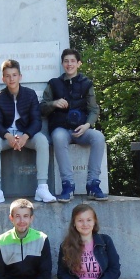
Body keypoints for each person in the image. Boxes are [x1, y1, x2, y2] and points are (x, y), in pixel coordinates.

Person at [0, 59, 56, 205]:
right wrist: (8, 136)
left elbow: (36, 121)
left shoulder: (30, 94)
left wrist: (25, 136)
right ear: (3, 78)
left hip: (25, 135)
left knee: (42, 140)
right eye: (8, 76)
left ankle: (42, 187)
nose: (11, 79)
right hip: (6, 136)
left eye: (14, 75)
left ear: (20, 76)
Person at [41, 48, 108, 201]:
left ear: (79, 63)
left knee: (98, 137)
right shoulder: (54, 83)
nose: (69, 64)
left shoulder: (87, 83)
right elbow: (42, 108)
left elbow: (94, 109)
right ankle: (68, 184)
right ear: (62, 64)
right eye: (66, 61)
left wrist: (87, 125)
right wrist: (54, 103)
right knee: (58, 137)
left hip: (81, 128)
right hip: (61, 128)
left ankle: (93, 184)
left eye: (72, 61)